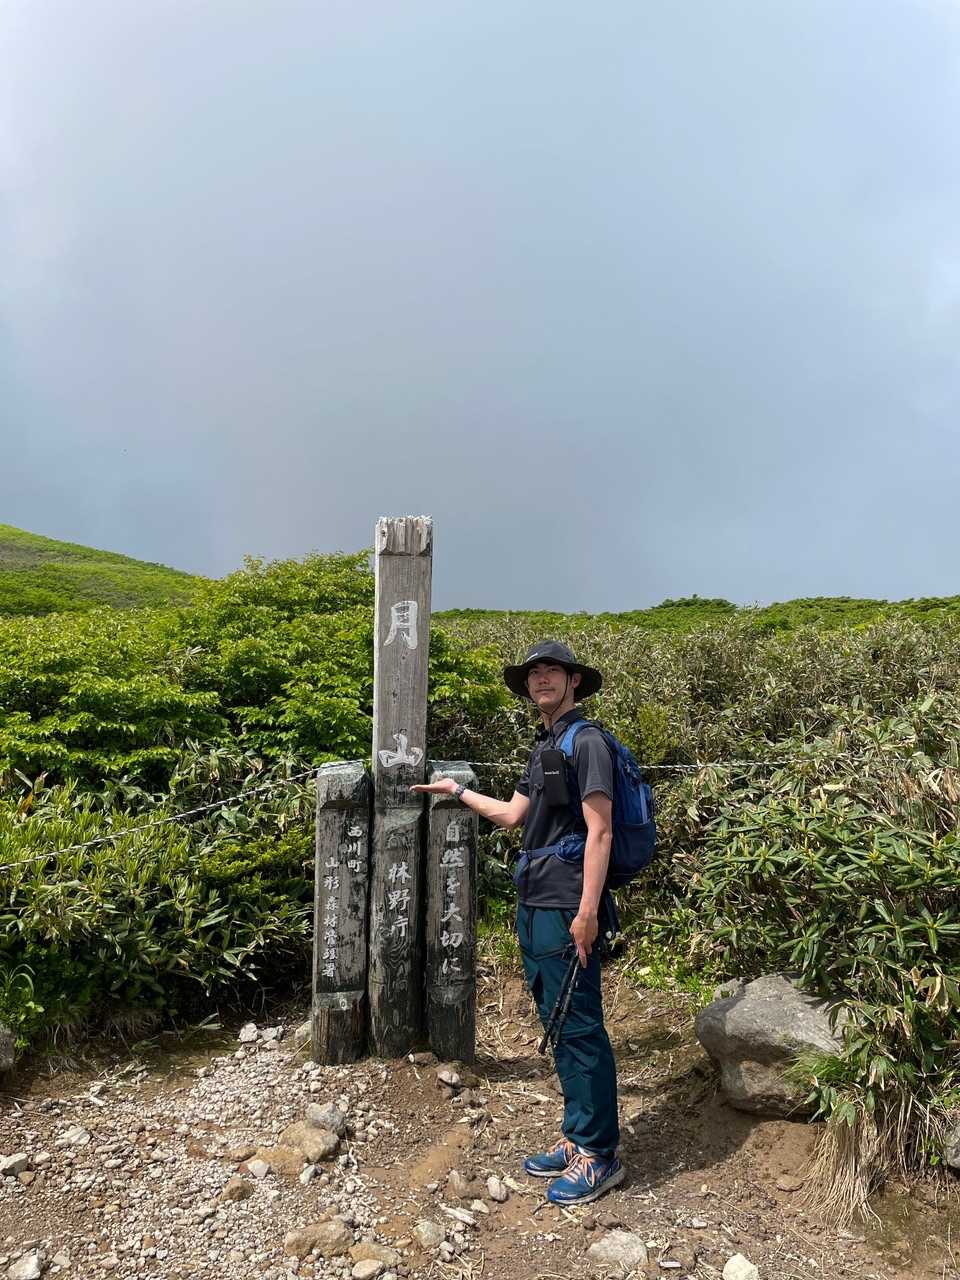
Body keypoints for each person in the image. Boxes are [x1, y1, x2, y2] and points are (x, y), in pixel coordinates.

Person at [412, 640, 623, 1205]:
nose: (542, 679)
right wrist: (457, 791)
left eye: (553, 671)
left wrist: (587, 912)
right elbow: (511, 816)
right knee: (557, 1018)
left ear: (574, 681)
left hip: (567, 903)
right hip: (535, 897)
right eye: (534, 673)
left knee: (579, 1025)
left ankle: (599, 1153)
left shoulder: (587, 743)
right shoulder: (546, 744)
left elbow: (600, 831)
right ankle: (577, 1136)